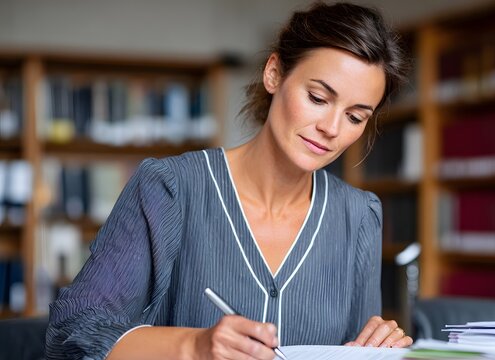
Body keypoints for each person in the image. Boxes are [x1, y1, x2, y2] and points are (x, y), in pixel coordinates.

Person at [46, 2, 412, 359]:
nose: (331, 129)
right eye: (317, 98)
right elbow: (71, 333)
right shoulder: (169, 189)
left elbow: (356, 350)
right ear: (274, 74)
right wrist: (193, 347)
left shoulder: (360, 215)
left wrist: (379, 345)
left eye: (355, 117)